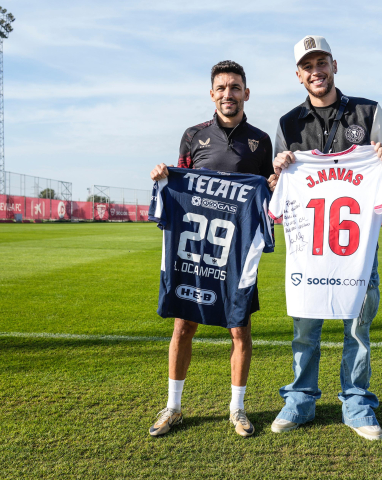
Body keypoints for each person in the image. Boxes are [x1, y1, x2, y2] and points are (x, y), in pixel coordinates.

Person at [269, 36, 382, 441]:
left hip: (357, 250)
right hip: (308, 252)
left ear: (334, 65)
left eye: (321, 62)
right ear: (299, 75)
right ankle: (300, 400)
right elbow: (277, 187)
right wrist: (278, 173)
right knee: (305, 329)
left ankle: (357, 403)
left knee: (357, 328)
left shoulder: (368, 111)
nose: (316, 71)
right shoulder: (288, 124)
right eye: (308, 66)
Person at [148, 60, 274, 438]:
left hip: (235, 254)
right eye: (221, 88)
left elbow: (267, 190)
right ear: (212, 94)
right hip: (195, 248)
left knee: (240, 330)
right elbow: (181, 178)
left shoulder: (260, 140)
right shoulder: (193, 135)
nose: (228, 94)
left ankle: (237, 408)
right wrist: (164, 176)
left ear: (246, 93)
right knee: (184, 325)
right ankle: (173, 406)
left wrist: (273, 180)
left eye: (235, 87)